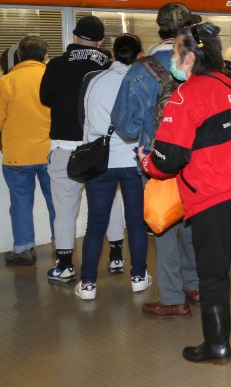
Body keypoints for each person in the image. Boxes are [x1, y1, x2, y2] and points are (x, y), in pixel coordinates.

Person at [138, 24, 231, 364]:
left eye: (174, 52)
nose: (171, 58)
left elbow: (170, 159)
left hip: (216, 196)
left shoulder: (184, 97)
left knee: (212, 274)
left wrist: (147, 163)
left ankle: (217, 347)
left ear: (190, 56)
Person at [111, 2, 201, 318]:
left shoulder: (140, 71)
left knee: (164, 229)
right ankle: (196, 285)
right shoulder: (202, 66)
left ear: (159, 31)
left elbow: (125, 126)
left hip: (159, 162)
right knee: (192, 224)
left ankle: (174, 297)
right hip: (198, 163)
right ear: (188, 30)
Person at [75, 34, 150, 300]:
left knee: (95, 224)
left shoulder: (94, 80)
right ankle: (139, 277)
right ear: (140, 54)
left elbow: (83, 118)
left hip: (100, 162)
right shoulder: (142, 81)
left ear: (112, 53)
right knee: (137, 223)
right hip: (133, 160)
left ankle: (87, 284)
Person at [39, 15, 113, 283]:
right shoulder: (110, 65)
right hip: (100, 148)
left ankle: (65, 265)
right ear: (101, 41)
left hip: (65, 148)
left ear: (74, 36)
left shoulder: (57, 65)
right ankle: (116, 257)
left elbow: (45, 98)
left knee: (65, 210)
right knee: (109, 204)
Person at [0, 35, 56, 266]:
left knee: (21, 203)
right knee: (57, 201)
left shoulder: (5, 82)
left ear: (19, 56)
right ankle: (62, 245)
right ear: (46, 57)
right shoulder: (53, 78)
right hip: (51, 153)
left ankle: (24, 250)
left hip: (17, 155)